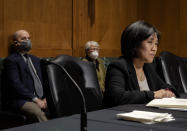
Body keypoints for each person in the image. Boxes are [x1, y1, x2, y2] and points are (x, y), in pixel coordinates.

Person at [103, 21, 179, 107]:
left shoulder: (147, 67)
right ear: (134, 44)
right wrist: (153, 94)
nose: (154, 48)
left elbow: (164, 86)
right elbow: (117, 97)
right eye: (150, 42)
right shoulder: (118, 66)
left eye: (156, 44)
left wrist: (168, 91)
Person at [4, 30, 48, 122]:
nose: (27, 41)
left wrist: (46, 98)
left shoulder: (35, 59)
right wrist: (36, 100)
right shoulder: (11, 61)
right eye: (24, 39)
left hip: (41, 97)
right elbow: (15, 84)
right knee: (37, 112)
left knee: (61, 104)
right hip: (21, 99)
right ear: (16, 43)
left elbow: (44, 80)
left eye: (29, 38)